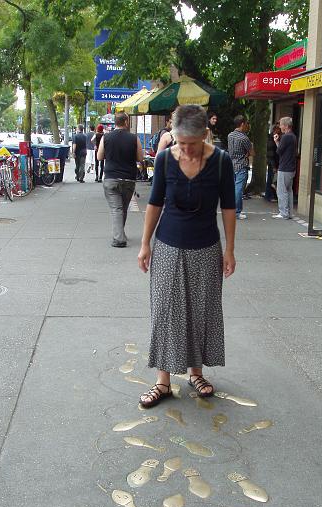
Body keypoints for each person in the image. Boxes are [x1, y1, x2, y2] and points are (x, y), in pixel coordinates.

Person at [137, 104, 236, 408]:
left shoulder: (220, 162)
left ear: (206, 135)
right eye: (181, 143)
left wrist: (230, 249)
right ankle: (162, 381)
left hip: (206, 247)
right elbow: (154, 203)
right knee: (166, 311)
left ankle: (196, 373)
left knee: (201, 310)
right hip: (168, 244)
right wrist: (145, 244)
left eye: (192, 144)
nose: (187, 150)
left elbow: (229, 207)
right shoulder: (166, 159)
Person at [97, 112, 144, 248]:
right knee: (122, 208)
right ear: (126, 122)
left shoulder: (106, 137)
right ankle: (120, 234)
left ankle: (119, 239)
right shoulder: (134, 138)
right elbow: (140, 158)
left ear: (115, 122)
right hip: (129, 178)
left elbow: (99, 157)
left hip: (111, 178)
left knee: (117, 209)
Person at [227, 115, 254, 220]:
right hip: (241, 165)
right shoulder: (244, 138)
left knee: (233, 188)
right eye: (246, 123)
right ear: (242, 124)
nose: (247, 125)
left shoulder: (230, 135)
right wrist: (247, 153)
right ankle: (237, 212)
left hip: (232, 164)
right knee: (239, 189)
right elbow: (252, 152)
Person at [272, 116, 297, 220]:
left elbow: (279, 151)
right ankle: (289, 212)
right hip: (291, 167)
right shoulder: (293, 136)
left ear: (286, 126)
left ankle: (283, 213)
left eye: (281, 124)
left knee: (281, 191)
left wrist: (276, 141)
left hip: (284, 167)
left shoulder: (286, 137)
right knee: (289, 190)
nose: (280, 126)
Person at [264, 124, 280, 202]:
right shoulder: (271, 139)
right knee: (271, 180)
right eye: (278, 129)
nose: (279, 130)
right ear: (275, 129)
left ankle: (269, 196)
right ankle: (269, 196)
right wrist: (274, 166)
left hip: (273, 162)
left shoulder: (273, 138)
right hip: (272, 163)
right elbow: (271, 154)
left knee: (271, 179)